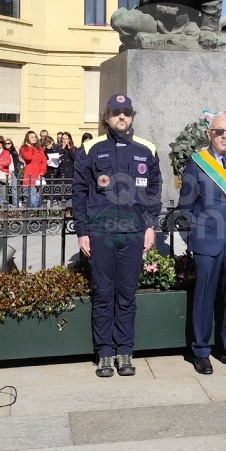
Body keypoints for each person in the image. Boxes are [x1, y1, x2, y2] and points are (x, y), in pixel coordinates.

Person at [72, 94, 163, 378]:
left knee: (126, 295)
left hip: (134, 233)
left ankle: (125, 351)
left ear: (132, 116)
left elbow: (154, 191)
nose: (121, 117)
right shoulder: (90, 148)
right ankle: (105, 354)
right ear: (107, 117)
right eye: (115, 113)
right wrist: (82, 231)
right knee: (103, 294)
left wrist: (150, 225)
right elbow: (79, 192)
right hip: (101, 233)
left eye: (126, 112)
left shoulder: (147, 148)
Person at [178, 112, 226, 375]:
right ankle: (201, 352)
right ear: (209, 134)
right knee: (204, 297)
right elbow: (185, 205)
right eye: (220, 131)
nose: (225, 136)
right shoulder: (197, 163)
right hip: (207, 242)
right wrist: (195, 235)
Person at [20, 131, 47, 208]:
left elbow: (43, 161)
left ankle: (35, 216)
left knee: (38, 199)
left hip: (38, 176)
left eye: (35, 137)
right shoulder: (23, 149)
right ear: (27, 139)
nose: (34, 138)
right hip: (29, 176)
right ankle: (32, 216)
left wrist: (42, 172)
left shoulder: (40, 149)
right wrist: (30, 148)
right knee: (33, 200)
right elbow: (28, 158)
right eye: (31, 137)